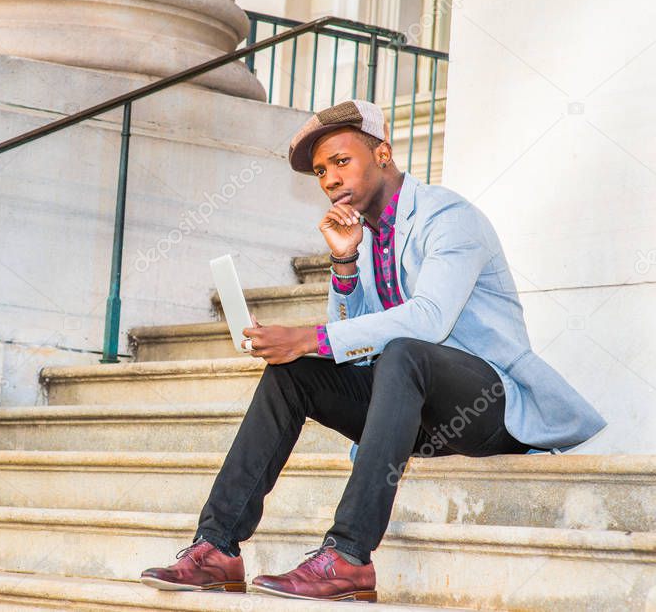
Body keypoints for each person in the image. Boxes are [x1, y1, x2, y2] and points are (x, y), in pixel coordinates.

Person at [139, 99, 607, 602]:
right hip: (412, 416)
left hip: (486, 407)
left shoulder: (448, 217)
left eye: (341, 161)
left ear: (382, 153)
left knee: (404, 351)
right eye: (321, 171)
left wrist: (310, 336)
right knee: (293, 373)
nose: (330, 179)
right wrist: (343, 265)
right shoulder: (363, 238)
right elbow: (354, 348)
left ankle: (348, 557)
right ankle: (216, 548)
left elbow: (429, 320)